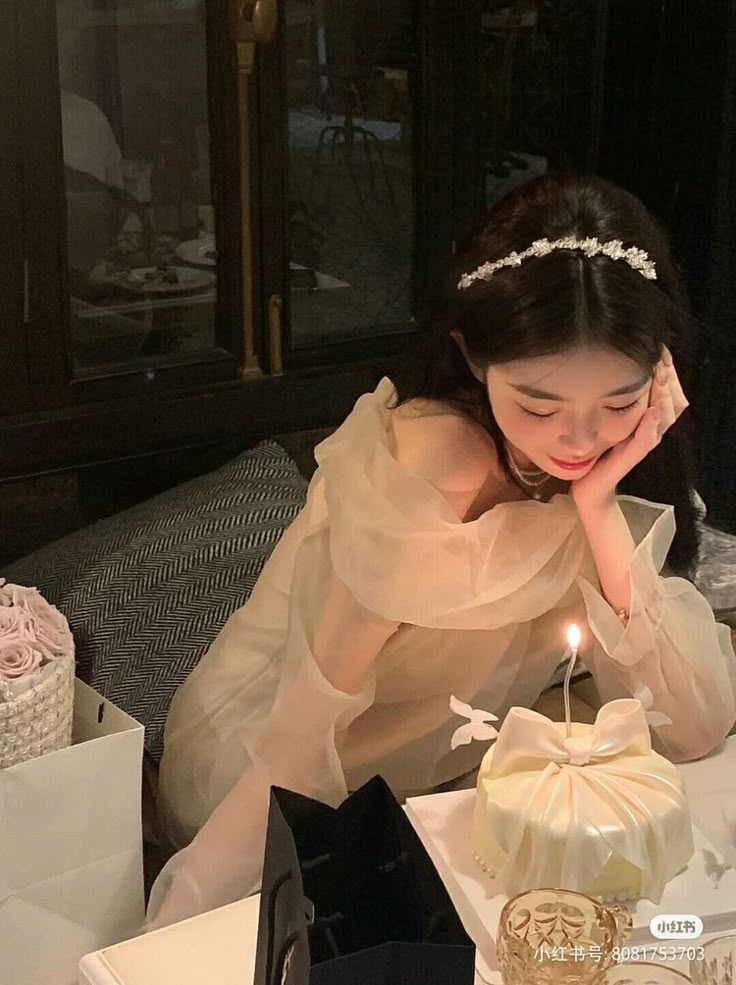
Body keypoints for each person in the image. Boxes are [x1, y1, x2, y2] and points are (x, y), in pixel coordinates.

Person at [147, 173, 736, 929]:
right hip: (278, 769)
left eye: (619, 403)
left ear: (660, 373)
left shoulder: (598, 470)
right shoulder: (432, 467)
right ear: (471, 357)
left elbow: (690, 725)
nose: (582, 440)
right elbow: (302, 729)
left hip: (443, 771)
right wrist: (186, 903)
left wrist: (595, 507)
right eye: (538, 403)